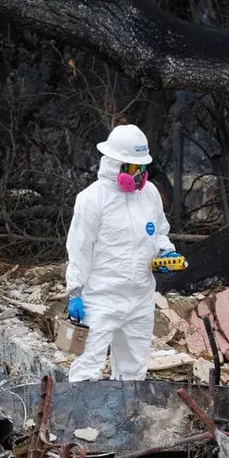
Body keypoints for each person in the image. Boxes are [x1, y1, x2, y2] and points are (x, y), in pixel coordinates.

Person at [64, 124, 184, 382]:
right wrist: (75, 292)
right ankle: (82, 422)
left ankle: (126, 420)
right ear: (114, 163)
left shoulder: (149, 194)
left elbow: (160, 231)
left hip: (140, 297)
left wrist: (165, 253)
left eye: (141, 168)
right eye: (132, 167)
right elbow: (79, 249)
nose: (139, 174)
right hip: (101, 298)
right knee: (86, 369)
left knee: (133, 372)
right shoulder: (92, 199)